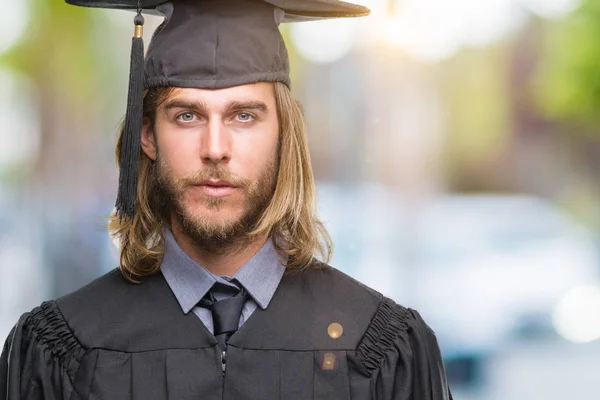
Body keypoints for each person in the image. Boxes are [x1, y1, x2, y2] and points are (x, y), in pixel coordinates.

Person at [0, 0, 453, 399]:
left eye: (243, 115)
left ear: (283, 136)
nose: (215, 147)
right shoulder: (63, 351)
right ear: (148, 136)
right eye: (186, 115)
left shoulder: (382, 347)